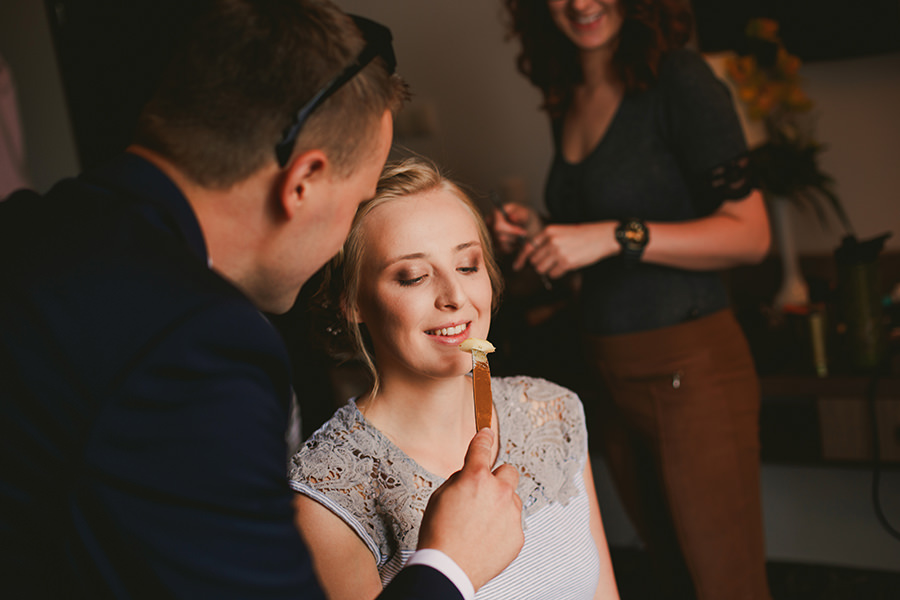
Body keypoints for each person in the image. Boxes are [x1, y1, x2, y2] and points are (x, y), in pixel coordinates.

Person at [0, 1, 523, 598]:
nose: (341, 246)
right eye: (356, 202)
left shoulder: (29, 229)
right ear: (302, 183)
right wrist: (450, 565)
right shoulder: (195, 348)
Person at [495, 1, 772, 599]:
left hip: (690, 369)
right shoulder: (566, 89)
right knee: (669, 579)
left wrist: (615, 235)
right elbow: (598, 234)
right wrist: (541, 233)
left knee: (725, 585)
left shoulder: (679, 78)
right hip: (606, 372)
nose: (581, 3)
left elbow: (751, 235)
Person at [289, 156, 620, 600]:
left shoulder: (554, 410)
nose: (456, 296)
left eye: (467, 266)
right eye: (413, 277)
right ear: (353, 302)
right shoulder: (326, 493)